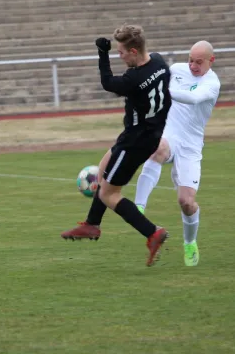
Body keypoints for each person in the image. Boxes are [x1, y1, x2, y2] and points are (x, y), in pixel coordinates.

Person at [61, 24, 173, 267]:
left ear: (133, 51)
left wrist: (101, 53)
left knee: (108, 193)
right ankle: (92, 223)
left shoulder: (134, 78)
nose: (118, 56)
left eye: (120, 52)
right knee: (102, 169)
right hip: (148, 134)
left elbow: (108, 82)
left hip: (134, 141)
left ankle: (152, 232)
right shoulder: (159, 62)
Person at [134, 40, 221, 267]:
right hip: (169, 133)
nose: (192, 65)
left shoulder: (212, 83)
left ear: (211, 61)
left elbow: (192, 98)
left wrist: (164, 90)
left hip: (191, 146)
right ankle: (139, 206)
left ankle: (189, 242)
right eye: (190, 60)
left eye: (198, 62)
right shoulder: (177, 70)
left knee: (186, 202)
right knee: (158, 148)